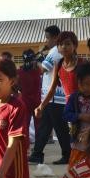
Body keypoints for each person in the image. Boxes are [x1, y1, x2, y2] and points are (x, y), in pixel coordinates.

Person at [34, 31, 84, 164]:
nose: (64, 47)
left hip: (83, 106)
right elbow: (52, 88)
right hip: (69, 107)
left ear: (75, 45)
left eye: (68, 44)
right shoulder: (59, 64)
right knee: (73, 138)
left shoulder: (82, 64)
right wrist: (41, 105)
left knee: (84, 139)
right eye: (61, 45)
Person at [28, 25, 71, 165]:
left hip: (54, 98)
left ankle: (67, 154)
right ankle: (37, 154)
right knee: (45, 127)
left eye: (47, 38)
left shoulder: (55, 51)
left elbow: (43, 69)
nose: (46, 41)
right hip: (51, 97)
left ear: (54, 37)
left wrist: (35, 61)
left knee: (60, 128)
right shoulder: (55, 51)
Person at [17, 49, 42, 135]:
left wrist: (21, 90)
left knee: (27, 125)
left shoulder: (20, 72)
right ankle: (36, 147)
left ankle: (27, 146)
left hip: (28, 102)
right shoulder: (39, 70)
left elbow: (16, 86)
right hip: (34, 102)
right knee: (35, 126)